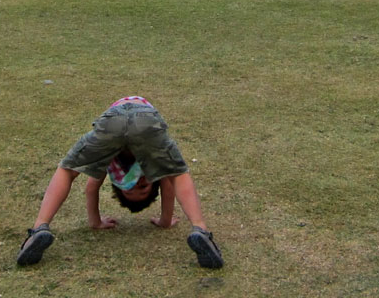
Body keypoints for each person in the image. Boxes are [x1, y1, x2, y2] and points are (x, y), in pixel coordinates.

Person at [16, 96, 224, 270]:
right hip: (145, 120)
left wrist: (95, 221)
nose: (135, 185)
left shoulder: (111, 165)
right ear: (153, 184)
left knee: (67, 169)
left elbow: (91, 187)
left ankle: (39, 228)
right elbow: (170, 183)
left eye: (132, 188)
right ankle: (200, 230)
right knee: (178, 173)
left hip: (113, 121)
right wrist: (165, 220)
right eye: (142, 187)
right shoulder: (149, 166)